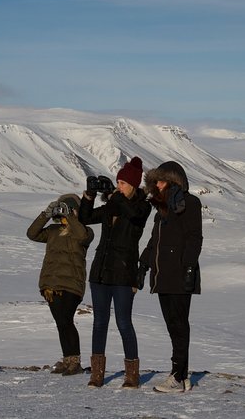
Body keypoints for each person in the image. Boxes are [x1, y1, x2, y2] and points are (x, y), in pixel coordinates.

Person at [78, 157, 152, 388]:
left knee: (123, 323)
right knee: (99, 322)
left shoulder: (142, 206)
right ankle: (97, 374)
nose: (119, 186)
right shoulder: (114, 203)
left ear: (133, 185)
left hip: (123, 274)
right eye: (118, 182)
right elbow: (86, 218)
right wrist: (88, 196)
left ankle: (132, 375)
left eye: (123, 183)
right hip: (101, 272)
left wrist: (116, 198)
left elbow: (134, 216)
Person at [139, 161, 203, 393]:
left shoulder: (189, 203)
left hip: (179, 274)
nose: (157, 184)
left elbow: (195, 238)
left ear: (174, 181)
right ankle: (181, 375)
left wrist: (188, 268)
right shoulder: (162, 207)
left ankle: (178, 376)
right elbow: (154, 241)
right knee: (172, 325)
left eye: (162, 180)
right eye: (155, 181)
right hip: (162, 275)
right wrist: (143, 265)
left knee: (179, 325)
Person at [26, 193, 94, 376]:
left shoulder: (85, 231)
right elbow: (31, 234)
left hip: (72, 285)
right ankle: (68, 360)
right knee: (61, 323)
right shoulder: (53, 231)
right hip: (51, 285)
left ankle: (75, 362)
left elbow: (81, 236)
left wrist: (71, 216)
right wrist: (45, 215)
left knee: (66, 320)